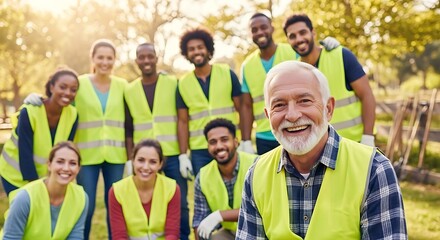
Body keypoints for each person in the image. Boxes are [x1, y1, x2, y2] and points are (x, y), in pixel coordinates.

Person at [236, 61, 407, 239]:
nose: (292, 115)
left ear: (329, 108)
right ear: (268, 115)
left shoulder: (374, 170)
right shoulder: (256, 174)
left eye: (304, 101)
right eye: (279, 105)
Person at [240, 12, 341, 155]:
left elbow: (314, 69)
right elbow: (246, 106)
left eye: (263, 27)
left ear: (272, 28)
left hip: (299, 128)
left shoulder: (293, 52)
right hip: (264, 135)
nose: (260, 32)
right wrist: (246, 140)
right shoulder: (247, 65)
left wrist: (328, 49)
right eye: (254, 30)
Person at [124, 42, 190, 240]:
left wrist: (183, 154)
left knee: (181, 203)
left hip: (170, 155)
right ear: (137, 61)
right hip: (143, 158)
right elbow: (128, 127)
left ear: (156, 58)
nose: (146, 60)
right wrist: (130, 159)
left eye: (149, 56)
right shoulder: (129, 90)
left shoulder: (172, 83)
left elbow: (182, 119)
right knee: (148, 201)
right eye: (141, 57)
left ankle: (183, 236)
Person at [283, 13, 376, 146]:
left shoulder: (341, 55)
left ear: (313, 33)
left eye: (303, 32)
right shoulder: (296, 71)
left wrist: (368, 137)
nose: (299, 39)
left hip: (355, 143)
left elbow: (367, 95)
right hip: (319, 148)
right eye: (292, 36)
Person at [74, 39, 128, 239]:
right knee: (85, 207)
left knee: (114, 206)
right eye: (100, 57)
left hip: (116, 156)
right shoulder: (79, 84)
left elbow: (142, 94)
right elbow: (58, 96)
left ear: (114, 60)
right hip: (86, 156)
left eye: (109, 58)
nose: (105, 62)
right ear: (93, 59)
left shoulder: (123, 85)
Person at [0, 68, 79, 196]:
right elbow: (25, 154)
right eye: (63, 87)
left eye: (73, 90)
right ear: (52, 87)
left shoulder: (73, 115)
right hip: (14, 174)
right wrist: (37, 188)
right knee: (23, 213)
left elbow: (66, 151)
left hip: (45, 179)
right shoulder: (30, 112)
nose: (68, 93)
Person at [177, 27, 242, 176]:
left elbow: (242, 108)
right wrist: (182, 155)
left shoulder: (227, 73)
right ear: (186, 53)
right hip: (200, 148)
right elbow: (182, 121)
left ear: (208, 49)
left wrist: (244, 140)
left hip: (228, 143)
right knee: (205, 189)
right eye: (191, 49)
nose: (196, 52)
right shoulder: (182, 83)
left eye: (200, 47)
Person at [1, 141, 89, 239]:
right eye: (60, 161)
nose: (66, 168)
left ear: (78, 168)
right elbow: (11, 238)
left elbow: (75, 236)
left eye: (73, 163)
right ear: (49, 164)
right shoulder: (25, 198)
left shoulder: (81, 198)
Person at [193, 118, 257, 240]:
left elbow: (261, 209)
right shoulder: (203, 176)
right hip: (229, 233)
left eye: (224, 140)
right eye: (213, 142)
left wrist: (220, 215)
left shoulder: (256, 165)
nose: (219, 146)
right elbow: (199, 221)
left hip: (259, 229)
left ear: (236, 142)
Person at [109, 139, 181, 240]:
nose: (146, 167)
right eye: (141, 160)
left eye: (153, 162)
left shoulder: (172, 188)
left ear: (160, 164)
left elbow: (172, 234)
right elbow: (119, 236)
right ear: (133, 160)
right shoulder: (117, 191)